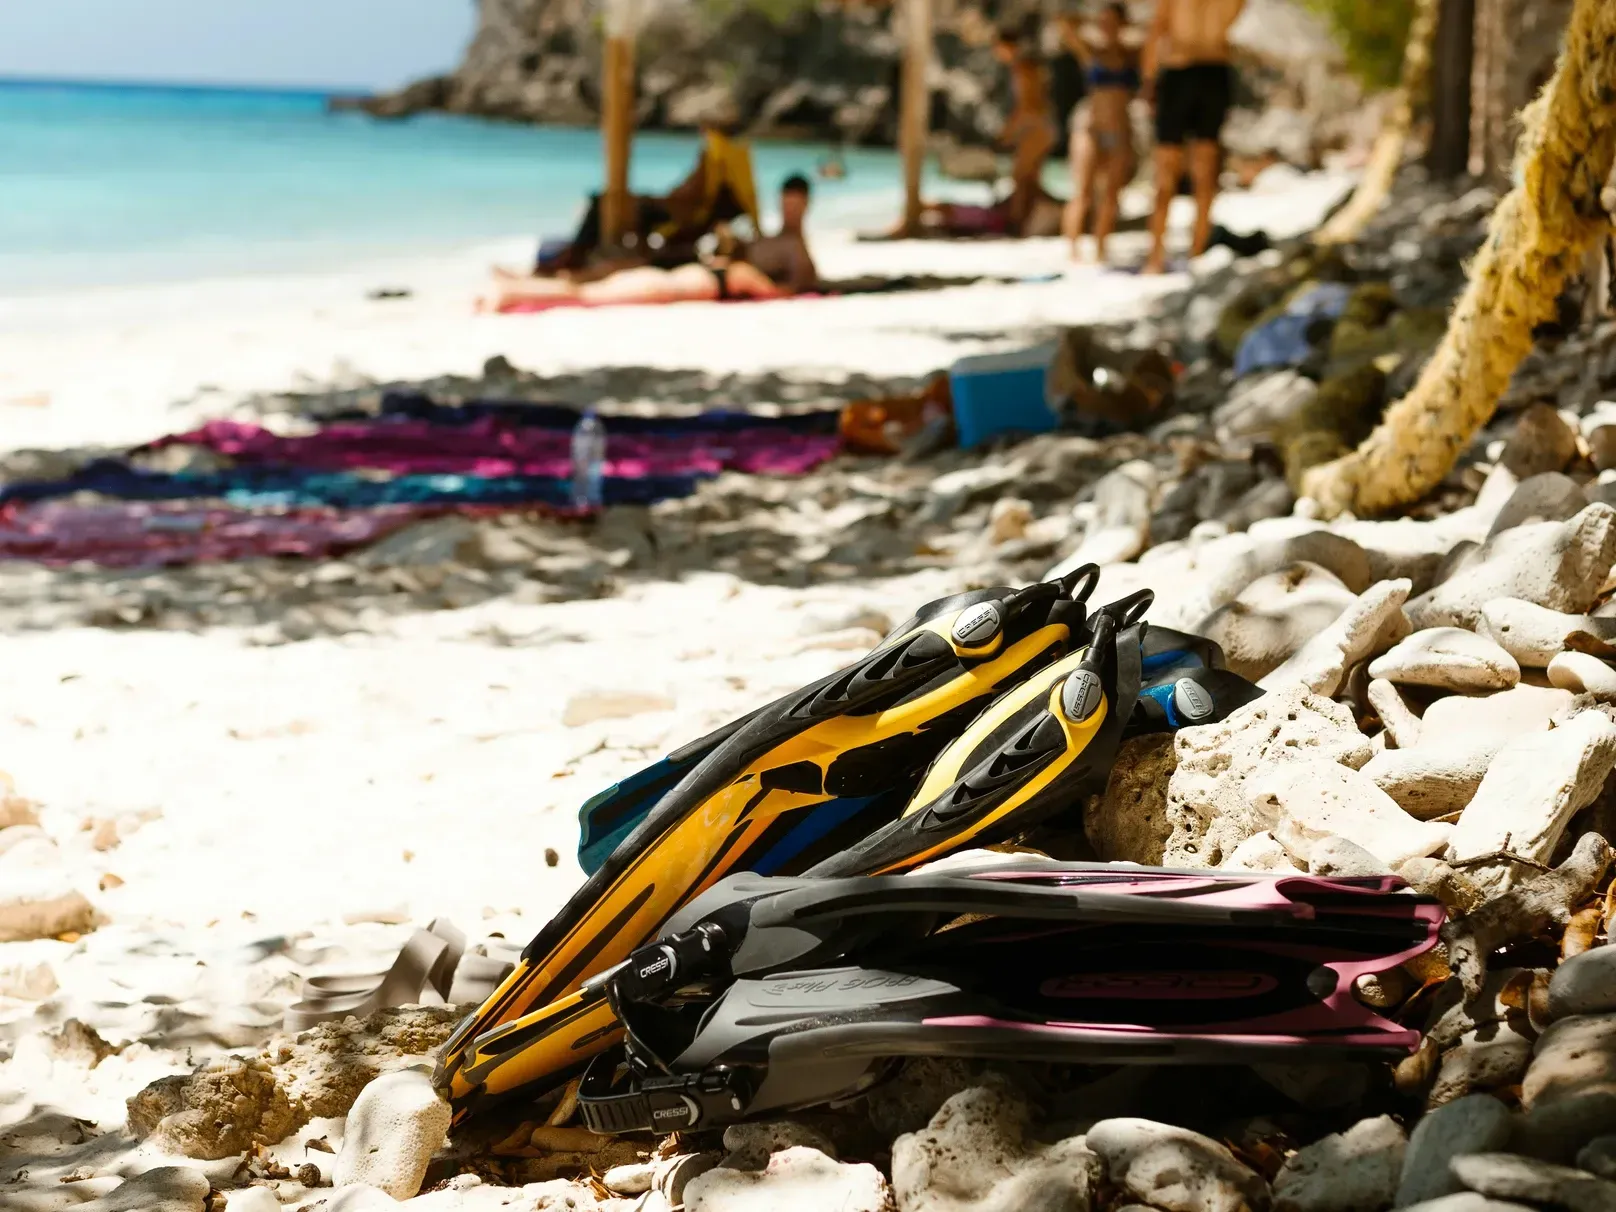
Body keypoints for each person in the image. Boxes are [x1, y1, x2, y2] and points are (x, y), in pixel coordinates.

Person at [486, 175, 816, 311]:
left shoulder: (774, 259)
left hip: (678, 282)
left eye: (795, 202)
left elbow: (798, 286)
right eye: (786, 200)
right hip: (687, 273)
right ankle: (523, 284)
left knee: (589, 293)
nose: (789, 207)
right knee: (603, 278)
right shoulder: (761, 245)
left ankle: (514, 291)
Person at [1142, 0, 1247, 274]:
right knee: (1205, 171)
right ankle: (1196, 252)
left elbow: (1158, 27)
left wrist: (1149, 80)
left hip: (1180, 70)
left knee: (1166, 171)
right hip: (1215, 70)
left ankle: (1156, 258)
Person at [1058, 3, 1140, 263]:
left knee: (1111, 195)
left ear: (1123, 24)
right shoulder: (1091, 52)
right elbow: (1064, 23)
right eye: (1104, 22)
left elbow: (1161, 38)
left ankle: (1100, 248)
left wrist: (1131, 27)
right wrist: (1091, 19)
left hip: (1121, 129)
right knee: (1081, 193)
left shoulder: (1132, 55)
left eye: (1113, 22)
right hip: (1089, 128)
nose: (1108, 27)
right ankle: (1072, 250)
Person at [993, 25, 1057, 237]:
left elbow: (1028, 105)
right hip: (1041, 126)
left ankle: (1017, 224)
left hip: (1037, 127)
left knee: (1020, 176)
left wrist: (1008, 131)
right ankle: (1031, 220)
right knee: (1029, 177)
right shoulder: (1027, 66)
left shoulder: (1022, 68)